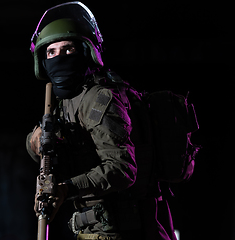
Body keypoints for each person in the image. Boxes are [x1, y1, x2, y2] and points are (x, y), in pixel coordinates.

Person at [26, 2, 177, 240]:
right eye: (51, 52)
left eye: (68, 50)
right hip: (96, 230)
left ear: (86, 52)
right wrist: (35, 141)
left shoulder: (99, 98)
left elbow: (122, 169)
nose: (59, 58)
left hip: (123, 231)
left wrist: (65, 188)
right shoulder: (65, 102)